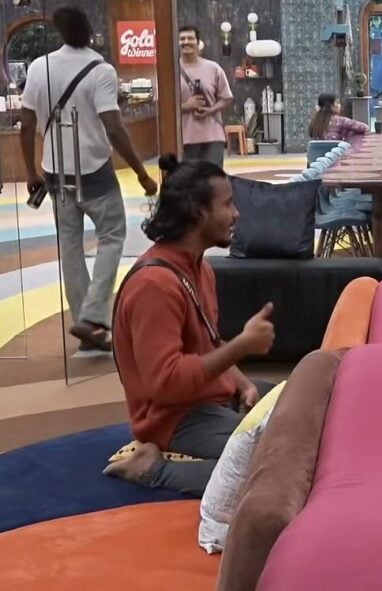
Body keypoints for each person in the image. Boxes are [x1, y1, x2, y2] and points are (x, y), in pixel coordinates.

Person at [103, 155, 276, 496]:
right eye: (227, 204)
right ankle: (151, 469)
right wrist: (241, 346)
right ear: (198, 211)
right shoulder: (154, 285)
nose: (236, 214)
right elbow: (166, 385)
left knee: (302, 410)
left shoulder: (199, 268)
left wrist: (241, 383)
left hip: (211, 399)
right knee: (273, 465)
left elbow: (208, 344)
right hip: (174, 417)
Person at [19, 6, 159, 353]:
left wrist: (31, 171)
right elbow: (114, 128)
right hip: (95, 170)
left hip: (55, 170)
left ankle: (86, 323)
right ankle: (94, 316)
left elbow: (27, 124)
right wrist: (141, 173)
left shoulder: (39, 68)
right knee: (112, 236)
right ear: (90, 32)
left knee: (69, 246)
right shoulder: (101, 70)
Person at [179, 26, 233, 167]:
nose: (186, 42)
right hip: (184, 138)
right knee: (190, 178)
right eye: (182, 39)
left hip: (213, 136)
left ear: (198, 42)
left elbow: (226, 98)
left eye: (190, 38)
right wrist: (186, 106)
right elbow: (163, 105)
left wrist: (211, 110)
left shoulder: (213, 68)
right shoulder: (171, 70)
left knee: (213, 176)